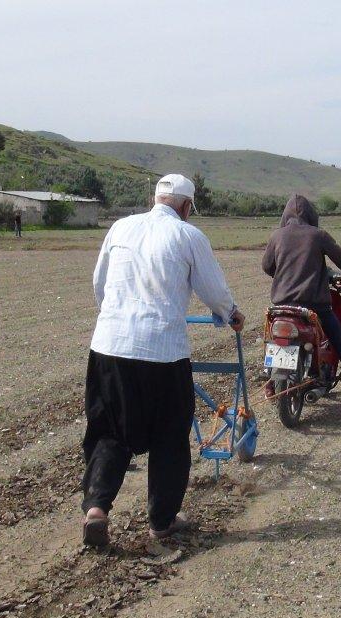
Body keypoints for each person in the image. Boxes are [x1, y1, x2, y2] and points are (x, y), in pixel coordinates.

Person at [81, 173, 245, 547]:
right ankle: (161, 521)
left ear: (155, 198)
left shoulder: (120, 227)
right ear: (186, 206)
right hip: (163, 353)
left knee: (108, 431)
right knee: (169, 436)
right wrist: (231, 313)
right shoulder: (188, 236)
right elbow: (213, 289)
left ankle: (97, 509)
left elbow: (99, 284)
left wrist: (116, 319)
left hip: (108, 347)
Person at [262, 194, 341, 410]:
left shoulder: (276, 236)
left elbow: (267, 267)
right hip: (314, 306)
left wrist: (284, 276)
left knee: (274, 341)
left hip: (281, 306)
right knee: (340, 343)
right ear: (311, 215)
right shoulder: (318, 235)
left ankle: (271, 384)